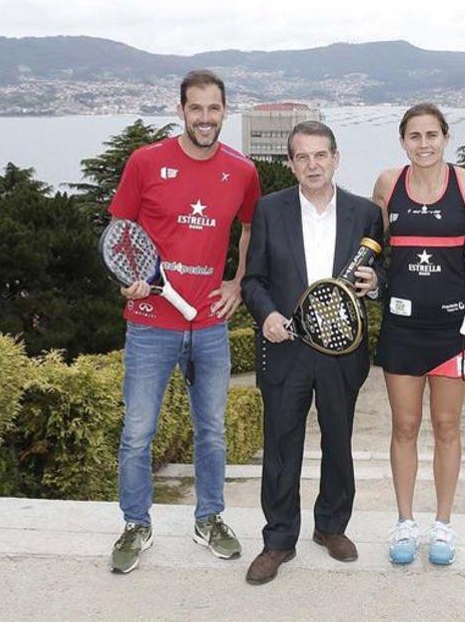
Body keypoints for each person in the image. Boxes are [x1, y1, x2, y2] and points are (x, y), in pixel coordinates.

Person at [108, 70, 260, 574]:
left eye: (214, 109)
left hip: (209, 326)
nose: (205, 118)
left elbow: (250, 230)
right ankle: (135, 524)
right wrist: (130, 279)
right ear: (180, 110)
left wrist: (236, 282)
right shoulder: (145, 162)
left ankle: (209, 519)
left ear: (224, 111)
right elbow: (122, 231)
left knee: (212, 431)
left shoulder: (241, 171)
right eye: (195, 108)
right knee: (137, 432)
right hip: (150, 322)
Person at [241, 121, 385, 585]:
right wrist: (265, 316)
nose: (312, 165)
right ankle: (279, 539)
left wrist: (377, 282)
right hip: (286, 347)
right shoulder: (269, 210)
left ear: (336, 158)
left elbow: (385, 271)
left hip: (343, 351)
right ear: (290, 164)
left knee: (338, 442)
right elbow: (253, 281)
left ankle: (331, 527)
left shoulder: (366, 214)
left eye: (320, 155)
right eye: (302, 158)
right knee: (281, 447)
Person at [370, 103, 465, 566]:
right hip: (401, 329)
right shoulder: (387, 185)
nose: (423, 144)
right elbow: (374, 253)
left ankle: (442, 526)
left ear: (446, 137)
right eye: (414, 136)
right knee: (404, 427)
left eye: (431, 135)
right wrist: (373, 283)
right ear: (403, 141)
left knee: (447, 428)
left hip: (453, 329)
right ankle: (405, 524)